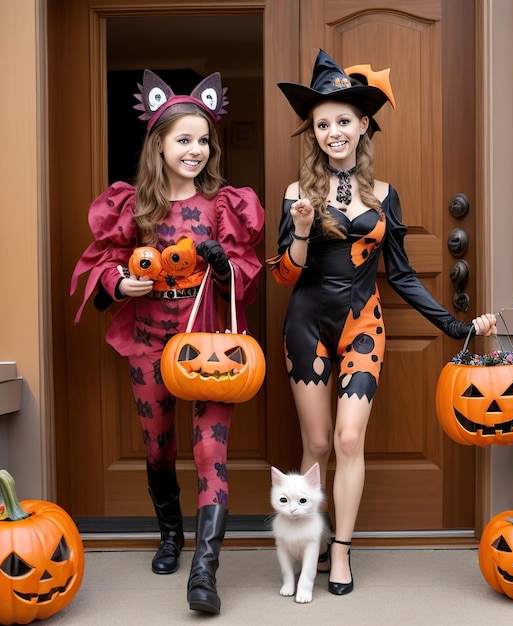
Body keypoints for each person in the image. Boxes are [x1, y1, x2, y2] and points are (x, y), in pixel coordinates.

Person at [269, 50, 497, 596]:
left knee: (350, 439)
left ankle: (341, 551)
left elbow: (402, 274)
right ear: (314, 133)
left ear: (363, 124)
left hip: (363, 325)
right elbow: (282, 276)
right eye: (322, 124)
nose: (332, 132)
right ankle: (310, 545)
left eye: (342, 121)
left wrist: (456, 327)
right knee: (318, 443)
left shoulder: (385, 195)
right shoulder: (297, 194)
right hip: (305, 325)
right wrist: (300, 231)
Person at [71, 69, 264, 614]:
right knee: (160, 447)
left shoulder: (224, 204)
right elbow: (102, 262)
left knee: (210, 452)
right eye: (184, 139)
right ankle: (170, 535)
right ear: (159, 144)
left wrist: (224, 266)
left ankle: (204, 571)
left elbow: (244, 276)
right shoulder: (134, 207)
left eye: (204, 140)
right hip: (151, 343)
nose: (196, 150)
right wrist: (117, 282)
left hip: (209, 347)